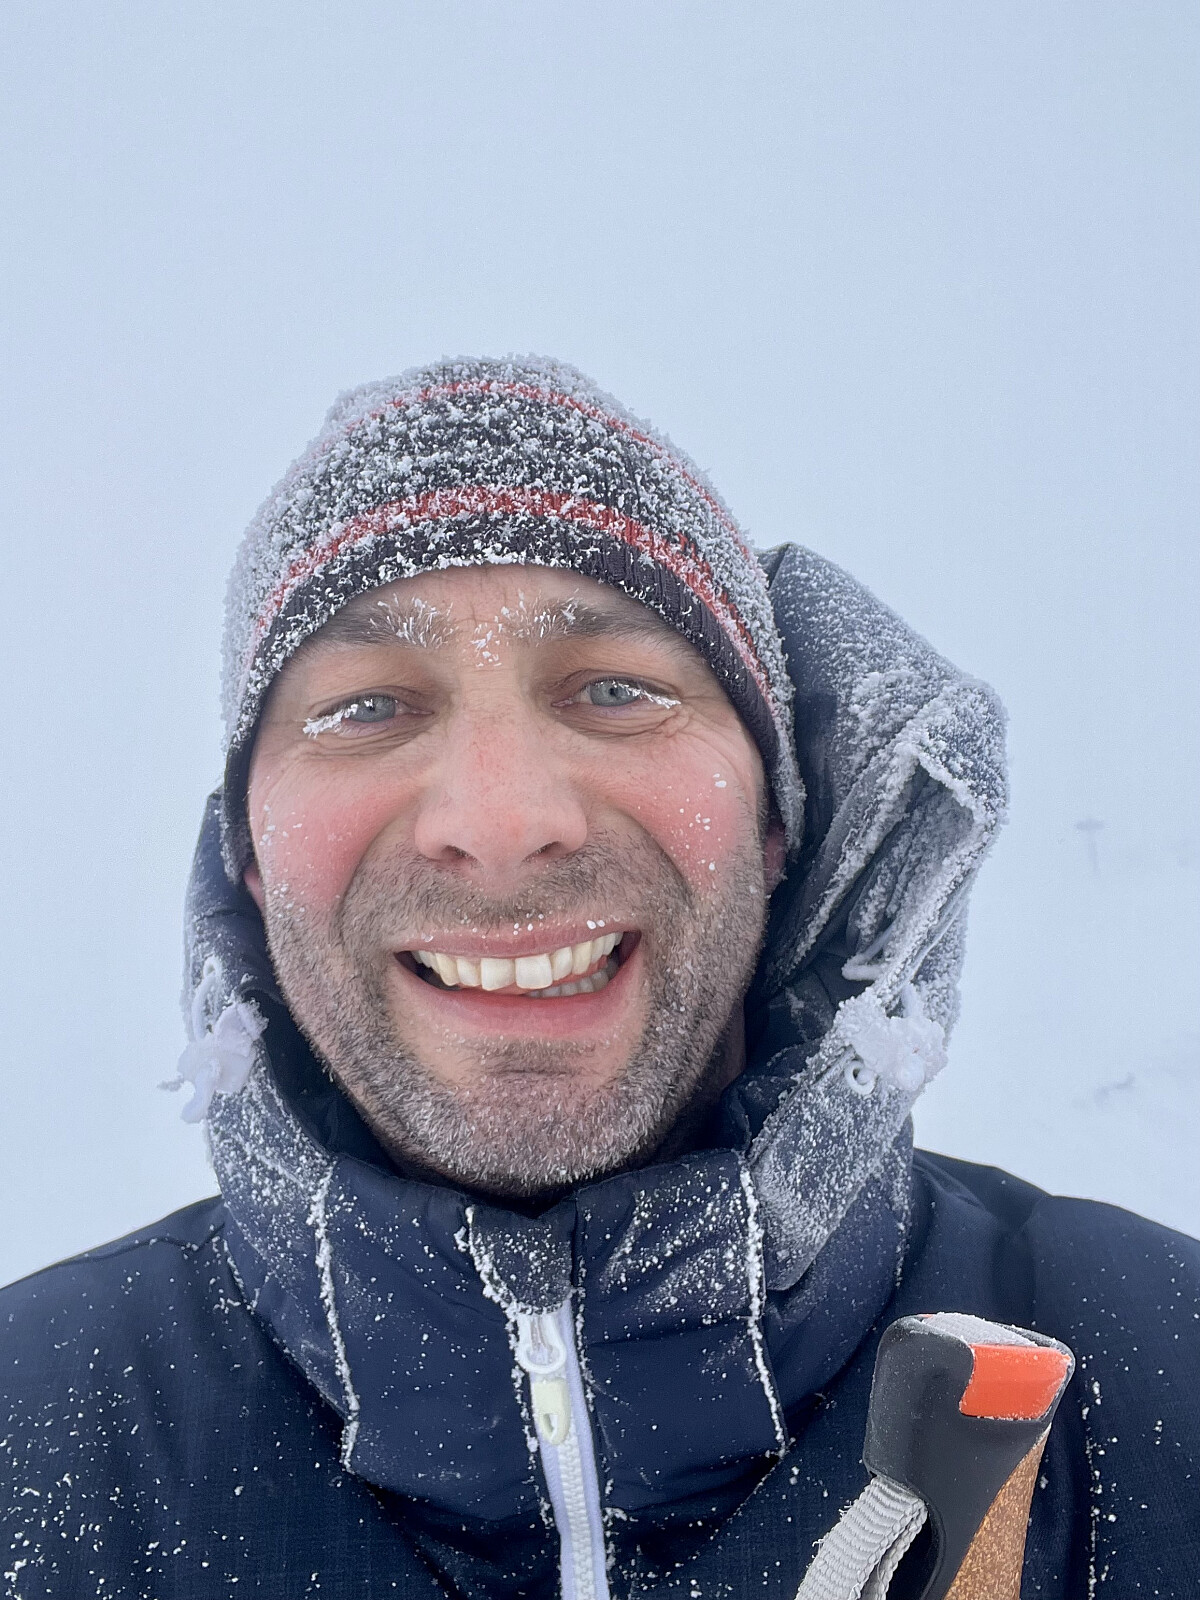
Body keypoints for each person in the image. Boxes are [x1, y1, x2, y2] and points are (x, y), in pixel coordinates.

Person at [2, 358, 1196, 1599]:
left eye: (617, 691)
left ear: (777, 820)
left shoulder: (1169, 1370)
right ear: (249, 857)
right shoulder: (25, 1440)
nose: (501, 819)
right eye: (365, 709)